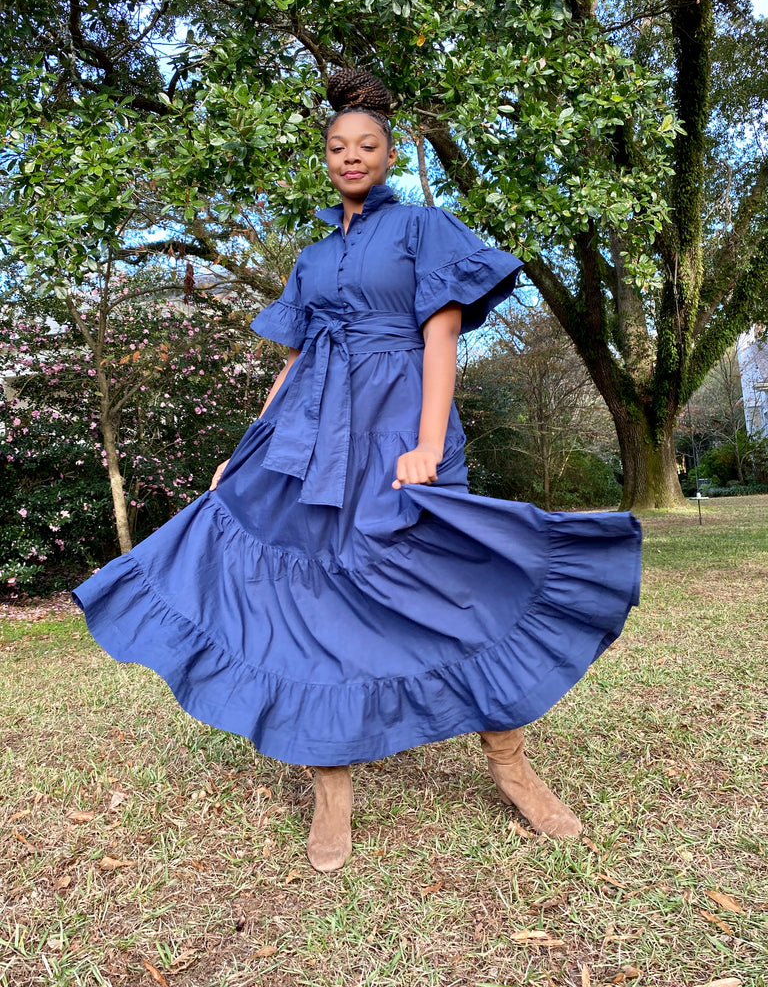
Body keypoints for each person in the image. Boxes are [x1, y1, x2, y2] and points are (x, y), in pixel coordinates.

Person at [74, 69, 641, 873]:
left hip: (401, 427)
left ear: (388, 153)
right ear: (326, 156)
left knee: (452, 587)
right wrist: (247, 447)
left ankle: (511, 765)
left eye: (366, 145)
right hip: (310, 444)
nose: (351, 156)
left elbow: (441, 337)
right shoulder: (310, 258)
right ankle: (332, 788)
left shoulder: (423, 229)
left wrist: (428, 441)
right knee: (309, 607)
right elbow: (297, 361)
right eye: (338, 146)